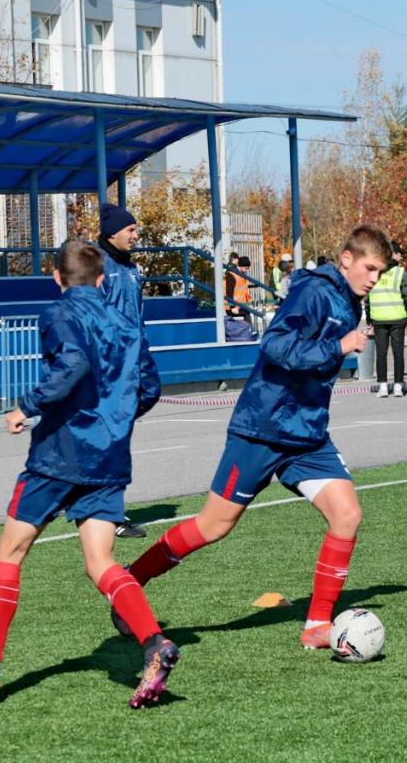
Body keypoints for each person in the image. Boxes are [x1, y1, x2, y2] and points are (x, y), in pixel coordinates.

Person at [112, 226, 391, 651]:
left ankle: (317, 624)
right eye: (370, 268)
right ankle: (132, 580)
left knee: (347, 515)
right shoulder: (314, 292)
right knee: (214, 525)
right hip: (263, 427)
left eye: (380, 272)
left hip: (308, 434)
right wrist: (338, 347)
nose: (374, 278)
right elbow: (276, 345)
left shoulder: (350, 303)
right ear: (347, 258)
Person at [0, 241, 171, 708]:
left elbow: (73, 363)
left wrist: (26, 407)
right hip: (109, 455)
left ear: (56, 276)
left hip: (60, 454)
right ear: (102, 278)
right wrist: (114, 419)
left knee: (10, 551)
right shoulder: (126, 320)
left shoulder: (58, 313)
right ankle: (153, 642)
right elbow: (149, 387)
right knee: (100, 561)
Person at [97, 203, 160, 540]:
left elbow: (137, 316)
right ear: (113, 233)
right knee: (113, 444)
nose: (136, 235)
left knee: (151, 395)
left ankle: (97, 499)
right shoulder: (98, 266)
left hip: (134, 360)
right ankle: (110, 514)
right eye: (131, 229)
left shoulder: (131, 268)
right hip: (110, 367)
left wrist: (142, 349)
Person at [365, 242, 407, 397]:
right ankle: (398, 386)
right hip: (398, 317)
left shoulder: (372, 270)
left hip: (378, 318)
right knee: (398, 353)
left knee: (381, 353)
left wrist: (369, 318)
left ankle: (383, 386)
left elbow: (367, 296)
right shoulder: (399, 272)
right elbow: (406, 295)